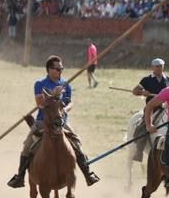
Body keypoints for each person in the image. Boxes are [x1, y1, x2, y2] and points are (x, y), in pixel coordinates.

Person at [7, 55, 100, 188]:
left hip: (62, 122)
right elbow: (40, 104)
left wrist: (66, 109)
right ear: (49, 69)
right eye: (57, 69)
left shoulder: (66, 84)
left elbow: (69, 102)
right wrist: (53, 94)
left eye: (61, 68)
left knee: (77, 143)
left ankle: (88, 174)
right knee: (27, 146)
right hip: (42, 121)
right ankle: (20, 177)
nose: (60, 71)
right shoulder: (40, 84)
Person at [130, 58, 169, 158]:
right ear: (152, 67)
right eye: (157, 66)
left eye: (161, 66)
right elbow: (135, 91)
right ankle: (139, 151)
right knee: (143, 126)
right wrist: (142, 92)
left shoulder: (168, 80)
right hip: (151, 108)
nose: (159, 68)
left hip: (165, 107)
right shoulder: (147, 80)